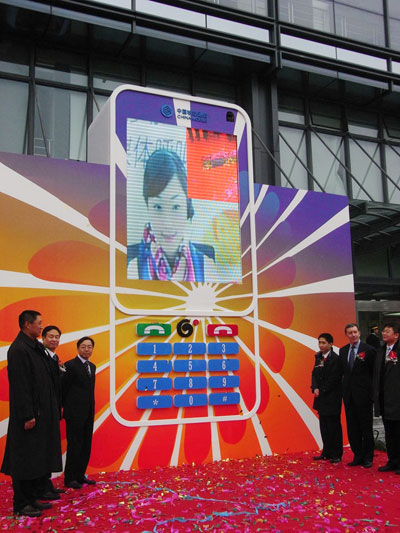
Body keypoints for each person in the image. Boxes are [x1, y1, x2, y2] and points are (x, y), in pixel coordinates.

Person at [0, 310, 62, 517]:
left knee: (36, 458)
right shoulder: (19, 349)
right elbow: (20, 386)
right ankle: (21, 503)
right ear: (27, 324)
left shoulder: (35, 347)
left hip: (41, 413)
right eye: (39, 323)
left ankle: (33, 496)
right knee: (24, 460)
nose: (41, 327)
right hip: (28, 416)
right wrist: (27, 415)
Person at [127, 149, 215, 281]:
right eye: (158, 207)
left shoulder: (207, 267)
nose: (167, 223)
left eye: (176, 207)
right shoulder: (134, 269)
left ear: (187, 207)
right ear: (148, 206)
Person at [339, 323, 376, 468]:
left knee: (366, 427)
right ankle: (357, 455)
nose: (353, 335)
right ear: (346, 335)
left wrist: (372, 393)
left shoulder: (369, 350)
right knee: (352, 427)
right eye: (350, 333)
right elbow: (343, 372)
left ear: (359, 333)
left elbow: (373, 373)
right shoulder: (343, 351)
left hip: (364, 395)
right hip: (349, 396)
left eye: (355, 332)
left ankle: (368, 457)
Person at [63, 336, 96, 489]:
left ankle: (80, 475)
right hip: (74, 413)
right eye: (83, 346)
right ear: (78, 348)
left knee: (85, 445)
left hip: (88, 412)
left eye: (89, 347)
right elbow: (63, 389)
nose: (86, 349)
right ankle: (70, 478)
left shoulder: (92, 366)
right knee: (74, 445)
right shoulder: (70, 365)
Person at [37, 325, 66, 499]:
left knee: (50, 448)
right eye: (51, 336)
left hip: (54, 408)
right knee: (43, 449)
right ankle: (41, 486)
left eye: (57, 337)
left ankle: (46, 483)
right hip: (43, 410)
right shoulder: (41, 357)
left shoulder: (55, 358)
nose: (54, 340)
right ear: (43, 338)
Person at [311, 333, 343, 463]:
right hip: (321, 397)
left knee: (333, 426)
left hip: (332, 396)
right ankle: (326, 452)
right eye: (319, 342)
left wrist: (322, 390)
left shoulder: (335, 359)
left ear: (330, 344)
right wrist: (315, 387)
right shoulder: (319, 357)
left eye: (323, 343)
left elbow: (334, 378)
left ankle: (336, 454)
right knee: (324, 425)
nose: (321, 345)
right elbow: (314, 374)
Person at [373, 323, 400, 473]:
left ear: (396, 335)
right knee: (389, 433)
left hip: (397, 398)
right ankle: (392, 461)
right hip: (384, 400)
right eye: (383, 331)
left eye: (387, 331)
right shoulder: (381, 351)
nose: (384, 333)